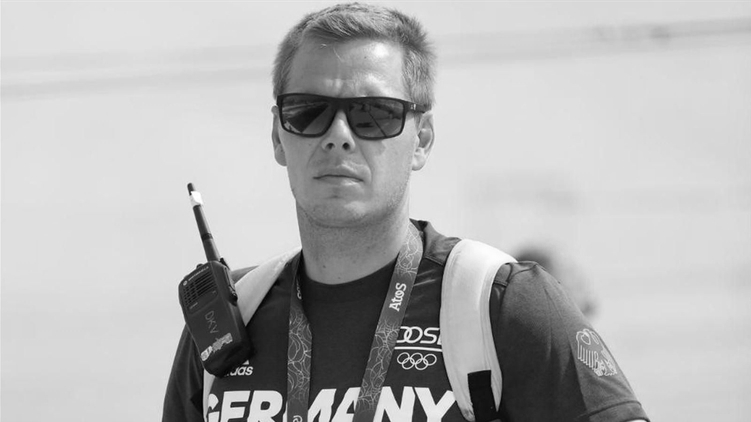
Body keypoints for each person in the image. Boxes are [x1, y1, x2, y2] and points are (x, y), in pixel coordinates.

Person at [163, 3, 650, 421]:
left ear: (422, 140)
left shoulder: (503, 305)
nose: (338, 135)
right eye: (308, 110)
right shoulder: (223, 327)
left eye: (374, 114)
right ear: (277, 135)